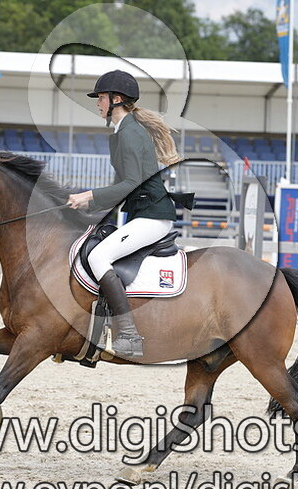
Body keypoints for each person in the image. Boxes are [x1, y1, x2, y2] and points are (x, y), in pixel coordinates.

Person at [68, 70, 192, 359]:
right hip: (143, 214)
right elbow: (119, 185)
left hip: (152, 216)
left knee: (99, 257)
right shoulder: (123, 130)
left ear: (116, 99)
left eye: (101, 97)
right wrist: (89, 207)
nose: (97, 102)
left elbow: (131, 183)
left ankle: (128, 334)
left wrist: (90, 195)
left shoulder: (130, 132)